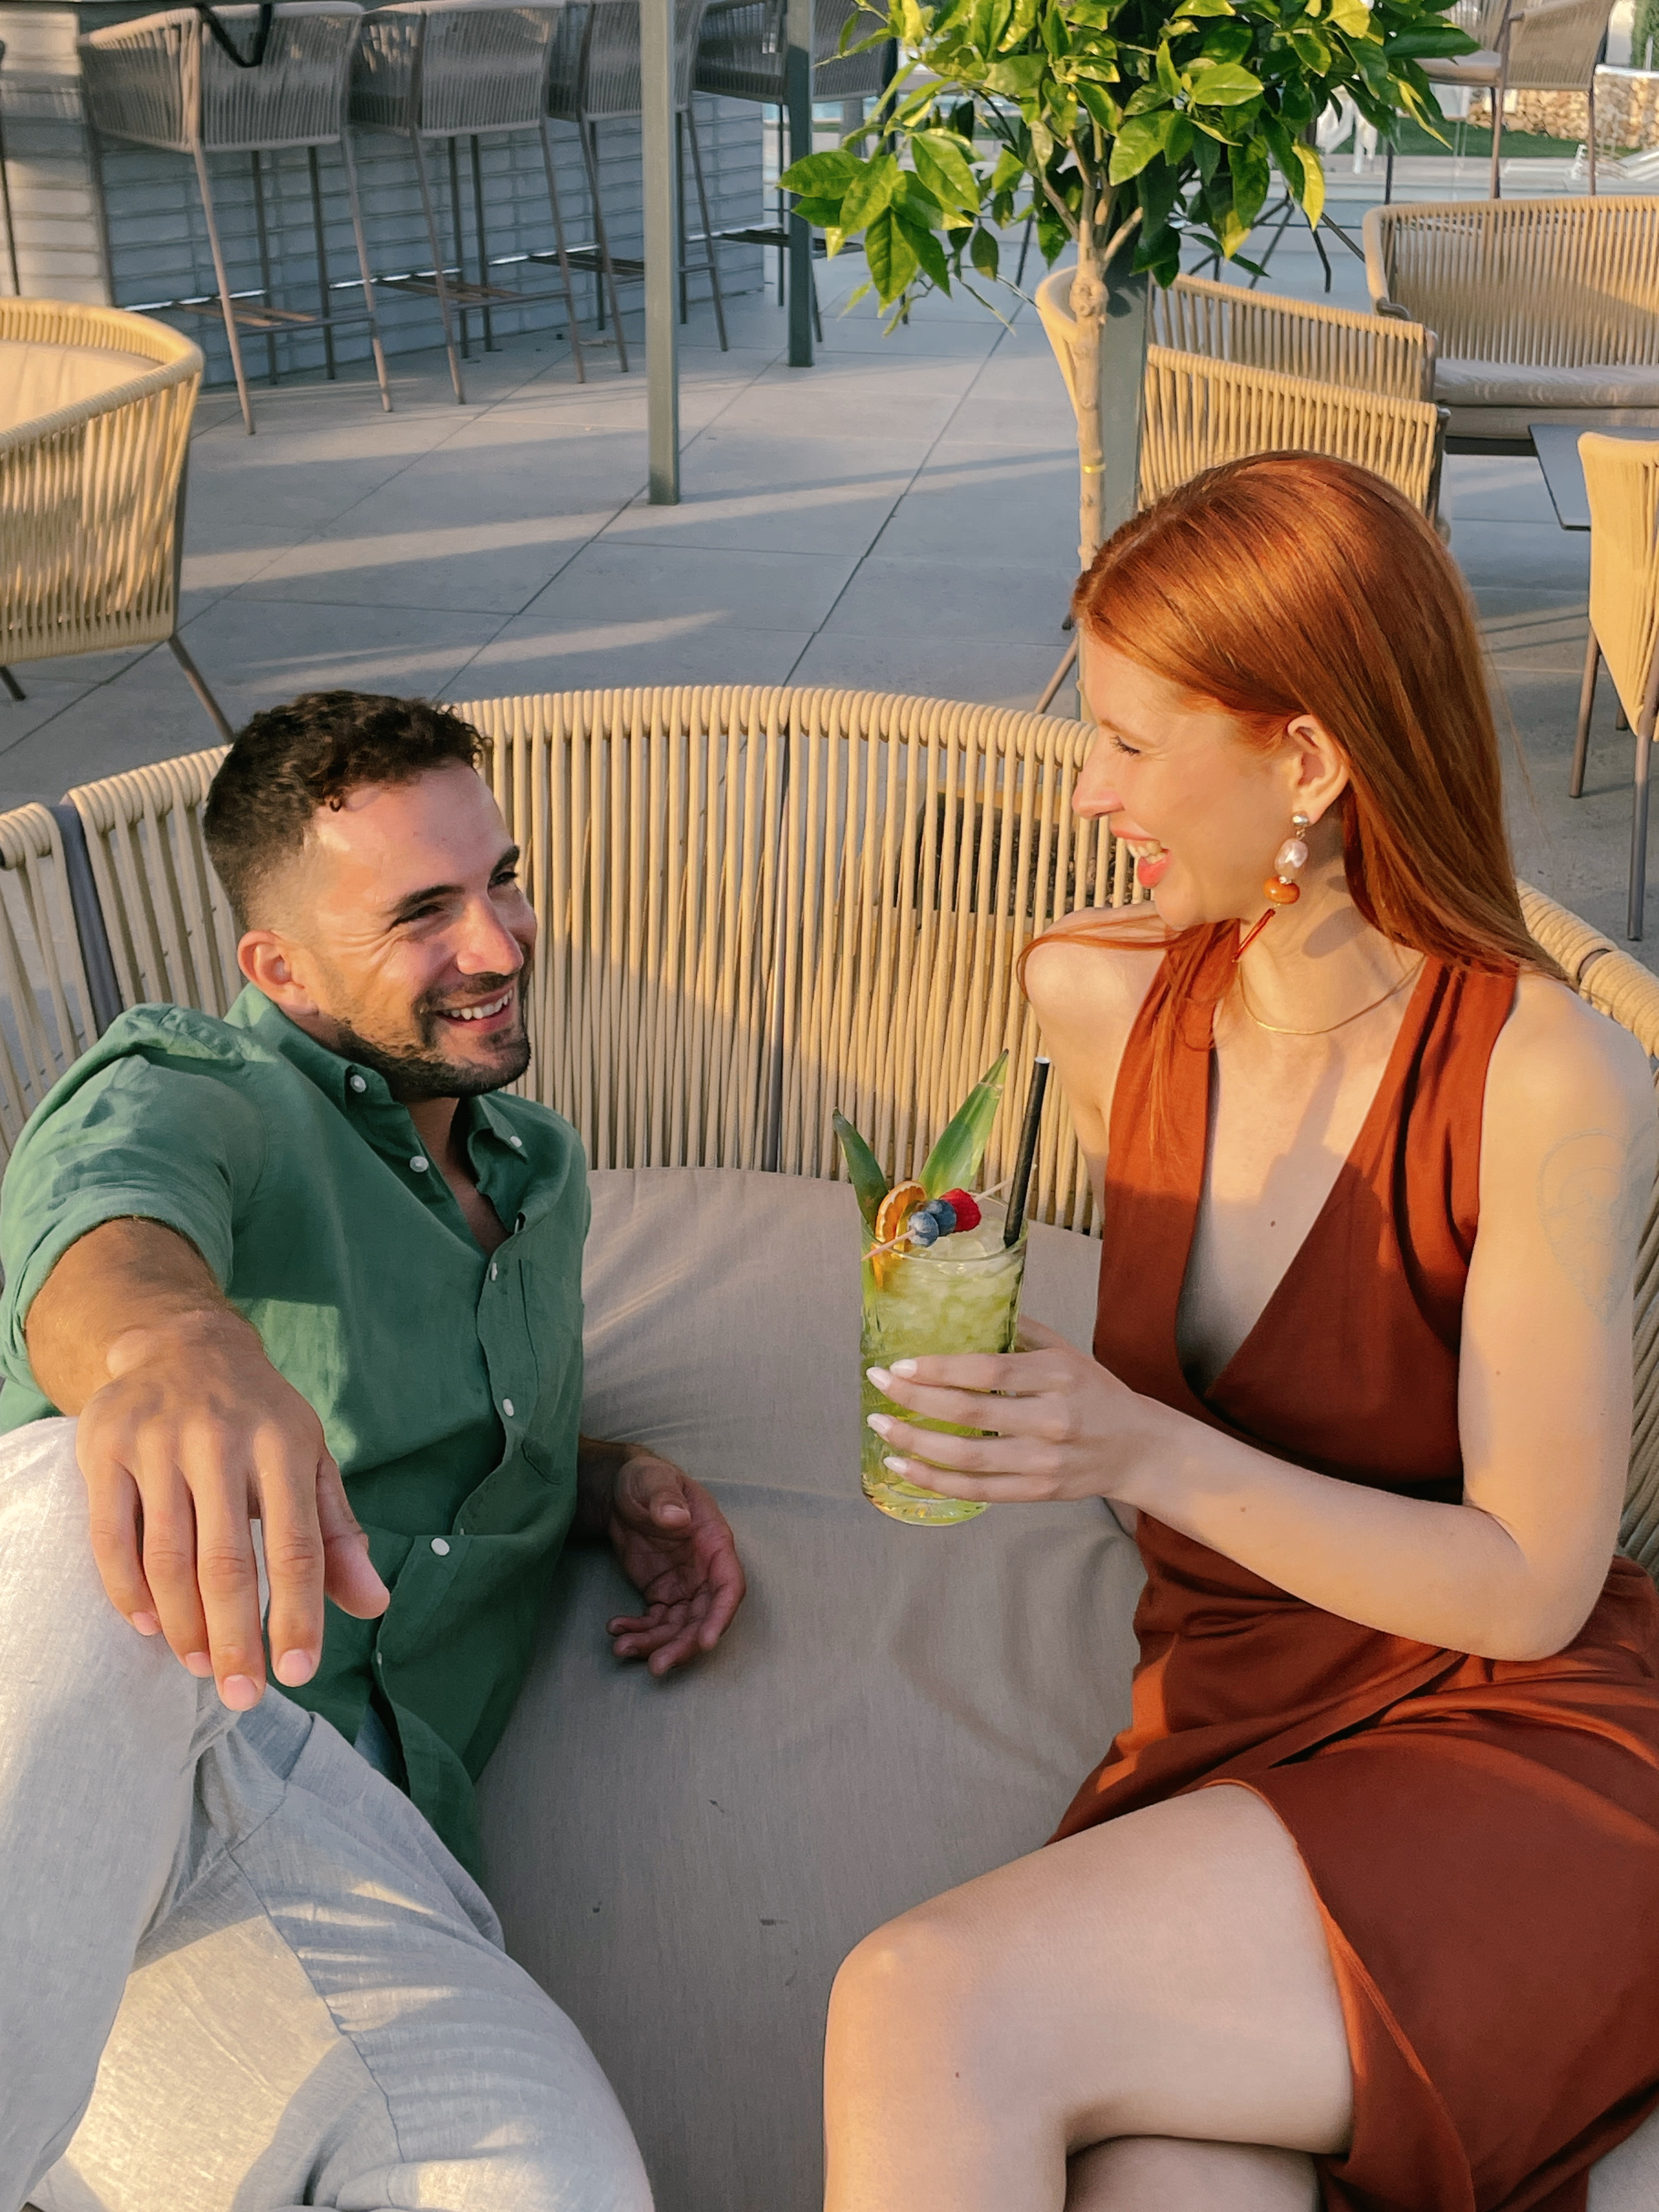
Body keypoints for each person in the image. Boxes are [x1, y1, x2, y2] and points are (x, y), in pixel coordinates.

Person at [823, 455, 1659, 2212]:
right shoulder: (1096, 998)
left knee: (924, 2001)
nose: (1086, 789)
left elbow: (1532, 1588)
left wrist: (1136, 1447)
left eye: (1131, 743)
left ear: (1308, 761)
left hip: (1518, 1735)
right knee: (1162, 2180)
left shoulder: (1545, 1076)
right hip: (1229, 1718)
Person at [0, 691, 745, 2212]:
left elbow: (463, 1431)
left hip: (346, 1856)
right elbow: (108, 1218)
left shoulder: (542, 1175)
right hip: (103, 1732)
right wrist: (171, 1348)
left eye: (500, 880)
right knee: (94, 1504)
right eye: (422, 914)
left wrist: (603, 1481)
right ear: (278, 969)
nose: (500, 943)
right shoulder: (209, 1090)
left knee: (555, 2188)